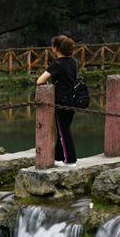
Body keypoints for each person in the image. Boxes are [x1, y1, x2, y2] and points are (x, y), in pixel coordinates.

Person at [36, 34, 78, 167]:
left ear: (55, 48)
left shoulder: (57, 64)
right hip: (73, 99)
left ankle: (70, 160)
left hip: (61, 101)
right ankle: (59, 157)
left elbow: (40, 81)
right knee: (64, 129)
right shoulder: (74, 62)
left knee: (63, 131)